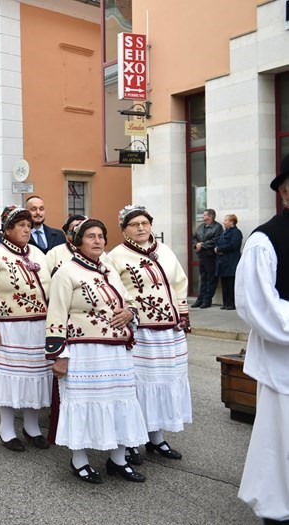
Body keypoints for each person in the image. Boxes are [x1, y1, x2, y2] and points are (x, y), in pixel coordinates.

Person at [46, 218, 147, 484]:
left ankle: (118, 459)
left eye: (101, 236)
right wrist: (59, 355)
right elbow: (56, 313)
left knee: (119, 403)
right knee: (82, 405)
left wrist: (129, 312)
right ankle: (79, 460)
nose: (98, 241)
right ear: (77, 242)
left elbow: (129, 300)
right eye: (90, 236)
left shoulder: (110, 269)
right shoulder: (66, 272)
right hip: (84, 352)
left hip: (116, 352)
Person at [108, 205, 192, 466]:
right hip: (141, 331)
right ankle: (132, 439)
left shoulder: (164, 251)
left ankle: (156, 437)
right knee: (140, 385)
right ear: (124, 229)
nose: (142, 228)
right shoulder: (115, 257)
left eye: (145, 223)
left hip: (169, 329)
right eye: (135, 224)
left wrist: (182, 311)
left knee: (165, 382)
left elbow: (179, 282)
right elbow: (116, 290)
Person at [236, 156, 289, 524]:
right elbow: (257, 304)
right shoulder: (264, 240)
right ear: (285, 193)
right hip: (283, 361)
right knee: (280, 440)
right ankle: (278, 508)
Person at [0, 206, 52, 451]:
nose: (27, 230)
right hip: (8, 329)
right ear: (8, 229)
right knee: (9, 379)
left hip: (38, 328)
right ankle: (6, 428)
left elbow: (50, 289)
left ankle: (32, 427)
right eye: (21, 226)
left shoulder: (39, 254)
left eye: (29, 226)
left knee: (34, 378)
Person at [190, 208, 223, 308]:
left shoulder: (217, 227)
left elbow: (216, 240)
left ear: (210, 217)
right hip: (201, 257)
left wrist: (202, 245)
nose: (203, 217)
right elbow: (194, 238)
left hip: (211, 257)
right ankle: (200, 299)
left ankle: (207, 300)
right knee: (203, 279)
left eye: (204, 215)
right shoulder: (200, 227)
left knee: (211, 279)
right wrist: (196, 245)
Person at [214, 214, 242, 311]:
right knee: (224, 283)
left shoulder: (236, 233)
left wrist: (220, 248)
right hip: (222, 262)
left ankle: (232, 303)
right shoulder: (224, 232)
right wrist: (217, 248)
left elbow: (234, 245)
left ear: (232, 222)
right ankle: (226, 303)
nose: (224, 222)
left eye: (226, 220)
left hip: (231, 261)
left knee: (231, 284)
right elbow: (218, 242)